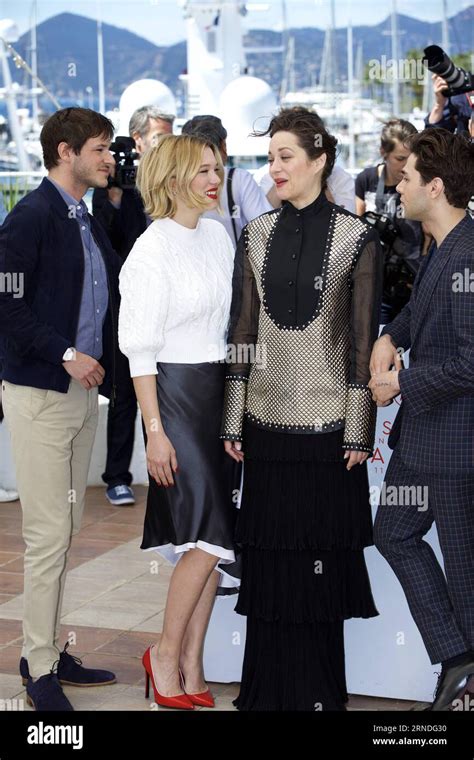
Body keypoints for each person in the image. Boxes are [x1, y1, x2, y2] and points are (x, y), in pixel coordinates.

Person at [221, 106, 383, 711]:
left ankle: (318, 697)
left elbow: (364, 342)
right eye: (269, 157)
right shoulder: (255, 232)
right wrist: (232, 418)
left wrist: (359, 431)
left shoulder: (357, 237)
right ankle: (264, 696)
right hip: (264, 432)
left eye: (286, 156)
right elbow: (242, 331)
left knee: (317, 567)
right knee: (269, 569)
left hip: (328, 434)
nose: (274, 168)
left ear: (319, 160)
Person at [0, 107, 123, 711]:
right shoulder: (32, 215)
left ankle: (48, 647)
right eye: (100, 149)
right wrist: (67, 352)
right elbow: (7, 305)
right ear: (65, 151)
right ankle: (37, 664)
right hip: (40, 396)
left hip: (77, 396)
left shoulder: (85, 216)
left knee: (68, 528)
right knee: (49, 535)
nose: (109, 159)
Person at [118, 134, 239, 709]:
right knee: (207, 536)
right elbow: (138, 351)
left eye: (218, 168)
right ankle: (163, 654)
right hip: (175, 397)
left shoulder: (217, 235)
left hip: (220, 393)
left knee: (212, 539)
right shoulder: (150, 249)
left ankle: (191, 663)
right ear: (171, 181)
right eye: (203, 171)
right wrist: (155, 430)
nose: (216, 180)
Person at [370, 128, 474, 711]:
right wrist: (391, 335)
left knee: (464, 570)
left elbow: (470, 361)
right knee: (393, 532)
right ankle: (458, 660)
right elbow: (420, 308)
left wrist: (399, 381)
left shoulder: (469, 253)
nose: (397, 184)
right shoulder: (442, 243)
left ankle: (464, 678)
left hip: (457, 445)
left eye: (406, 177)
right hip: (421, 442)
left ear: (434, 187)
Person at [93, 106, 174, 507]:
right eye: (159, 136)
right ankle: (117, 476)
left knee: (161, 388)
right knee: (125, 391)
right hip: (125, 304)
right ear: (138, 139)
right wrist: (114, 195)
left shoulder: (164, 182)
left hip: (164, 303)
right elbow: (108, 241)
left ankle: (163, 470)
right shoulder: (108, 186)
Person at [355, 118, 424, 323]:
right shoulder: (366, 179)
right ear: (383, 152)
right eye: (400, 158)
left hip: (413, 280)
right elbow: (356, 228)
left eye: (410, 158)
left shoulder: (421, 182)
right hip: (376, 282)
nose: (405, 165)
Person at [181, 114, 272, 247]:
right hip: (233, 263)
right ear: (224, 146)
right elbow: (267, 227)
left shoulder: (176, 182)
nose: (216, 180)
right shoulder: (239, 178)